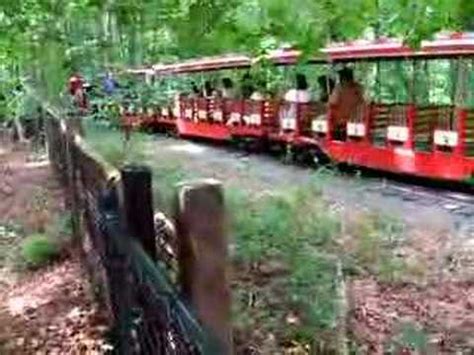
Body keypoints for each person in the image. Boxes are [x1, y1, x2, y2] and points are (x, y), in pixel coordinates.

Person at [329, 67, 365, 140]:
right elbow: (364, 101)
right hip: (358, 119)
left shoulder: (339, 88)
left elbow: (333, 102)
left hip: (343, 120)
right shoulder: (359, 88)